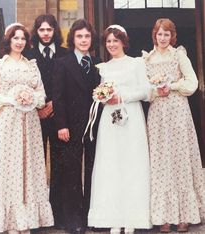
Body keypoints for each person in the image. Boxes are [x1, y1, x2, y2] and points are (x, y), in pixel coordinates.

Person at [0, 23, 54, 234]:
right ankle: (11, 222)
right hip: (8, 121)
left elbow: (41, 94)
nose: (19, 42)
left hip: (30, 122)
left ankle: (25, 221)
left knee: (28, 168)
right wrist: (12, 98)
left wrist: (31, 97)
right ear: (9, 40)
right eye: (16, 38)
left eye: (23, 38)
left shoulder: (31, 65)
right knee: (9, 168)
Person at [143, 18, 205, 233]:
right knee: (161, 162)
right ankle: (164, 216)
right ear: (154, 35)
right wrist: (155, 91)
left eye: (166, 34)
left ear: (172, 36)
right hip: (158, 114)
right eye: (159, 34)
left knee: (180, 160)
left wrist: (173, 86)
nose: (162, 38)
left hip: (178, 112)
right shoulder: (147, 58)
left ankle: (184, 215)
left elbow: (192, 83)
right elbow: (145, 90)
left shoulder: (178, 55)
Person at [88, 25, 152, 234]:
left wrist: (122, 97)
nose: (112, 45)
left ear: (124, 42)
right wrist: (103, 97)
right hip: (110, 120)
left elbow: (146, 91)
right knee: (112, 163)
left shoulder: (136, 63)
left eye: (116, 40)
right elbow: (101, 92)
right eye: (108, 41)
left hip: (131, 117)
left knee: (132, 163)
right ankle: (114, 216)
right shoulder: (104, 67)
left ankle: (133, 217)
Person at [52, 19, 101, 234]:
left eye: (87, 36)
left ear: (92, 39)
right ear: (73, 39)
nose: (83, 40)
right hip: (70, 127)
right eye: (79, 36)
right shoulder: (62, 63)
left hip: (94, 126)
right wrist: (61, 125)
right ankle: (73, 220)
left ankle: (90, 216)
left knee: (92, 170)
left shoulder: (98, 64)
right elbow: (58, 98)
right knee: (71, 174)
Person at [24, 14, 67, 228]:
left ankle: (57, 216)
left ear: (55, 31)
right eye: (42, 30)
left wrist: (53, 106)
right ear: (37, 32)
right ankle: (37, 218)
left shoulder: (65, 54)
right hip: (35, 117)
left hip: (59, 117)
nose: (46, 33)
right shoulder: (28, 55)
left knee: (59, 166)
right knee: (36, 166)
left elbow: (68, 88)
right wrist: (39, 106)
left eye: (49, 29)